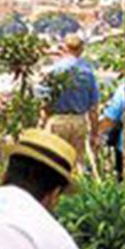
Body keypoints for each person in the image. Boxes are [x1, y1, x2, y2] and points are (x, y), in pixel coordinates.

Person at [43, 34, 99, 165]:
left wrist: (42, 121)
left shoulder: (55, 70)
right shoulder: (87, 72)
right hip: (79, 121)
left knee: (54, 163)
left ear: (65, 48)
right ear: (81, 50)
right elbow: (93, 108)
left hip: (57, 120)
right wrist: (94, 133)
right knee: (76, 164)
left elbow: (45, 100)